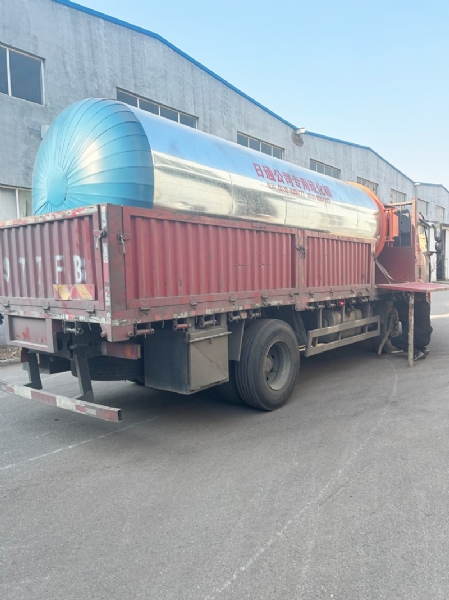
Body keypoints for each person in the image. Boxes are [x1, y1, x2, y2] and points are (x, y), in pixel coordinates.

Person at [390, 293, 433, 360]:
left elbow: (402, 309)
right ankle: (422, 349)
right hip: (426, 337)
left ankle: (416, 353)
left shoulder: (415, 307)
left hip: (419, 338)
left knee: (395, 341)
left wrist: (397, 300)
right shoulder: (426, 305)